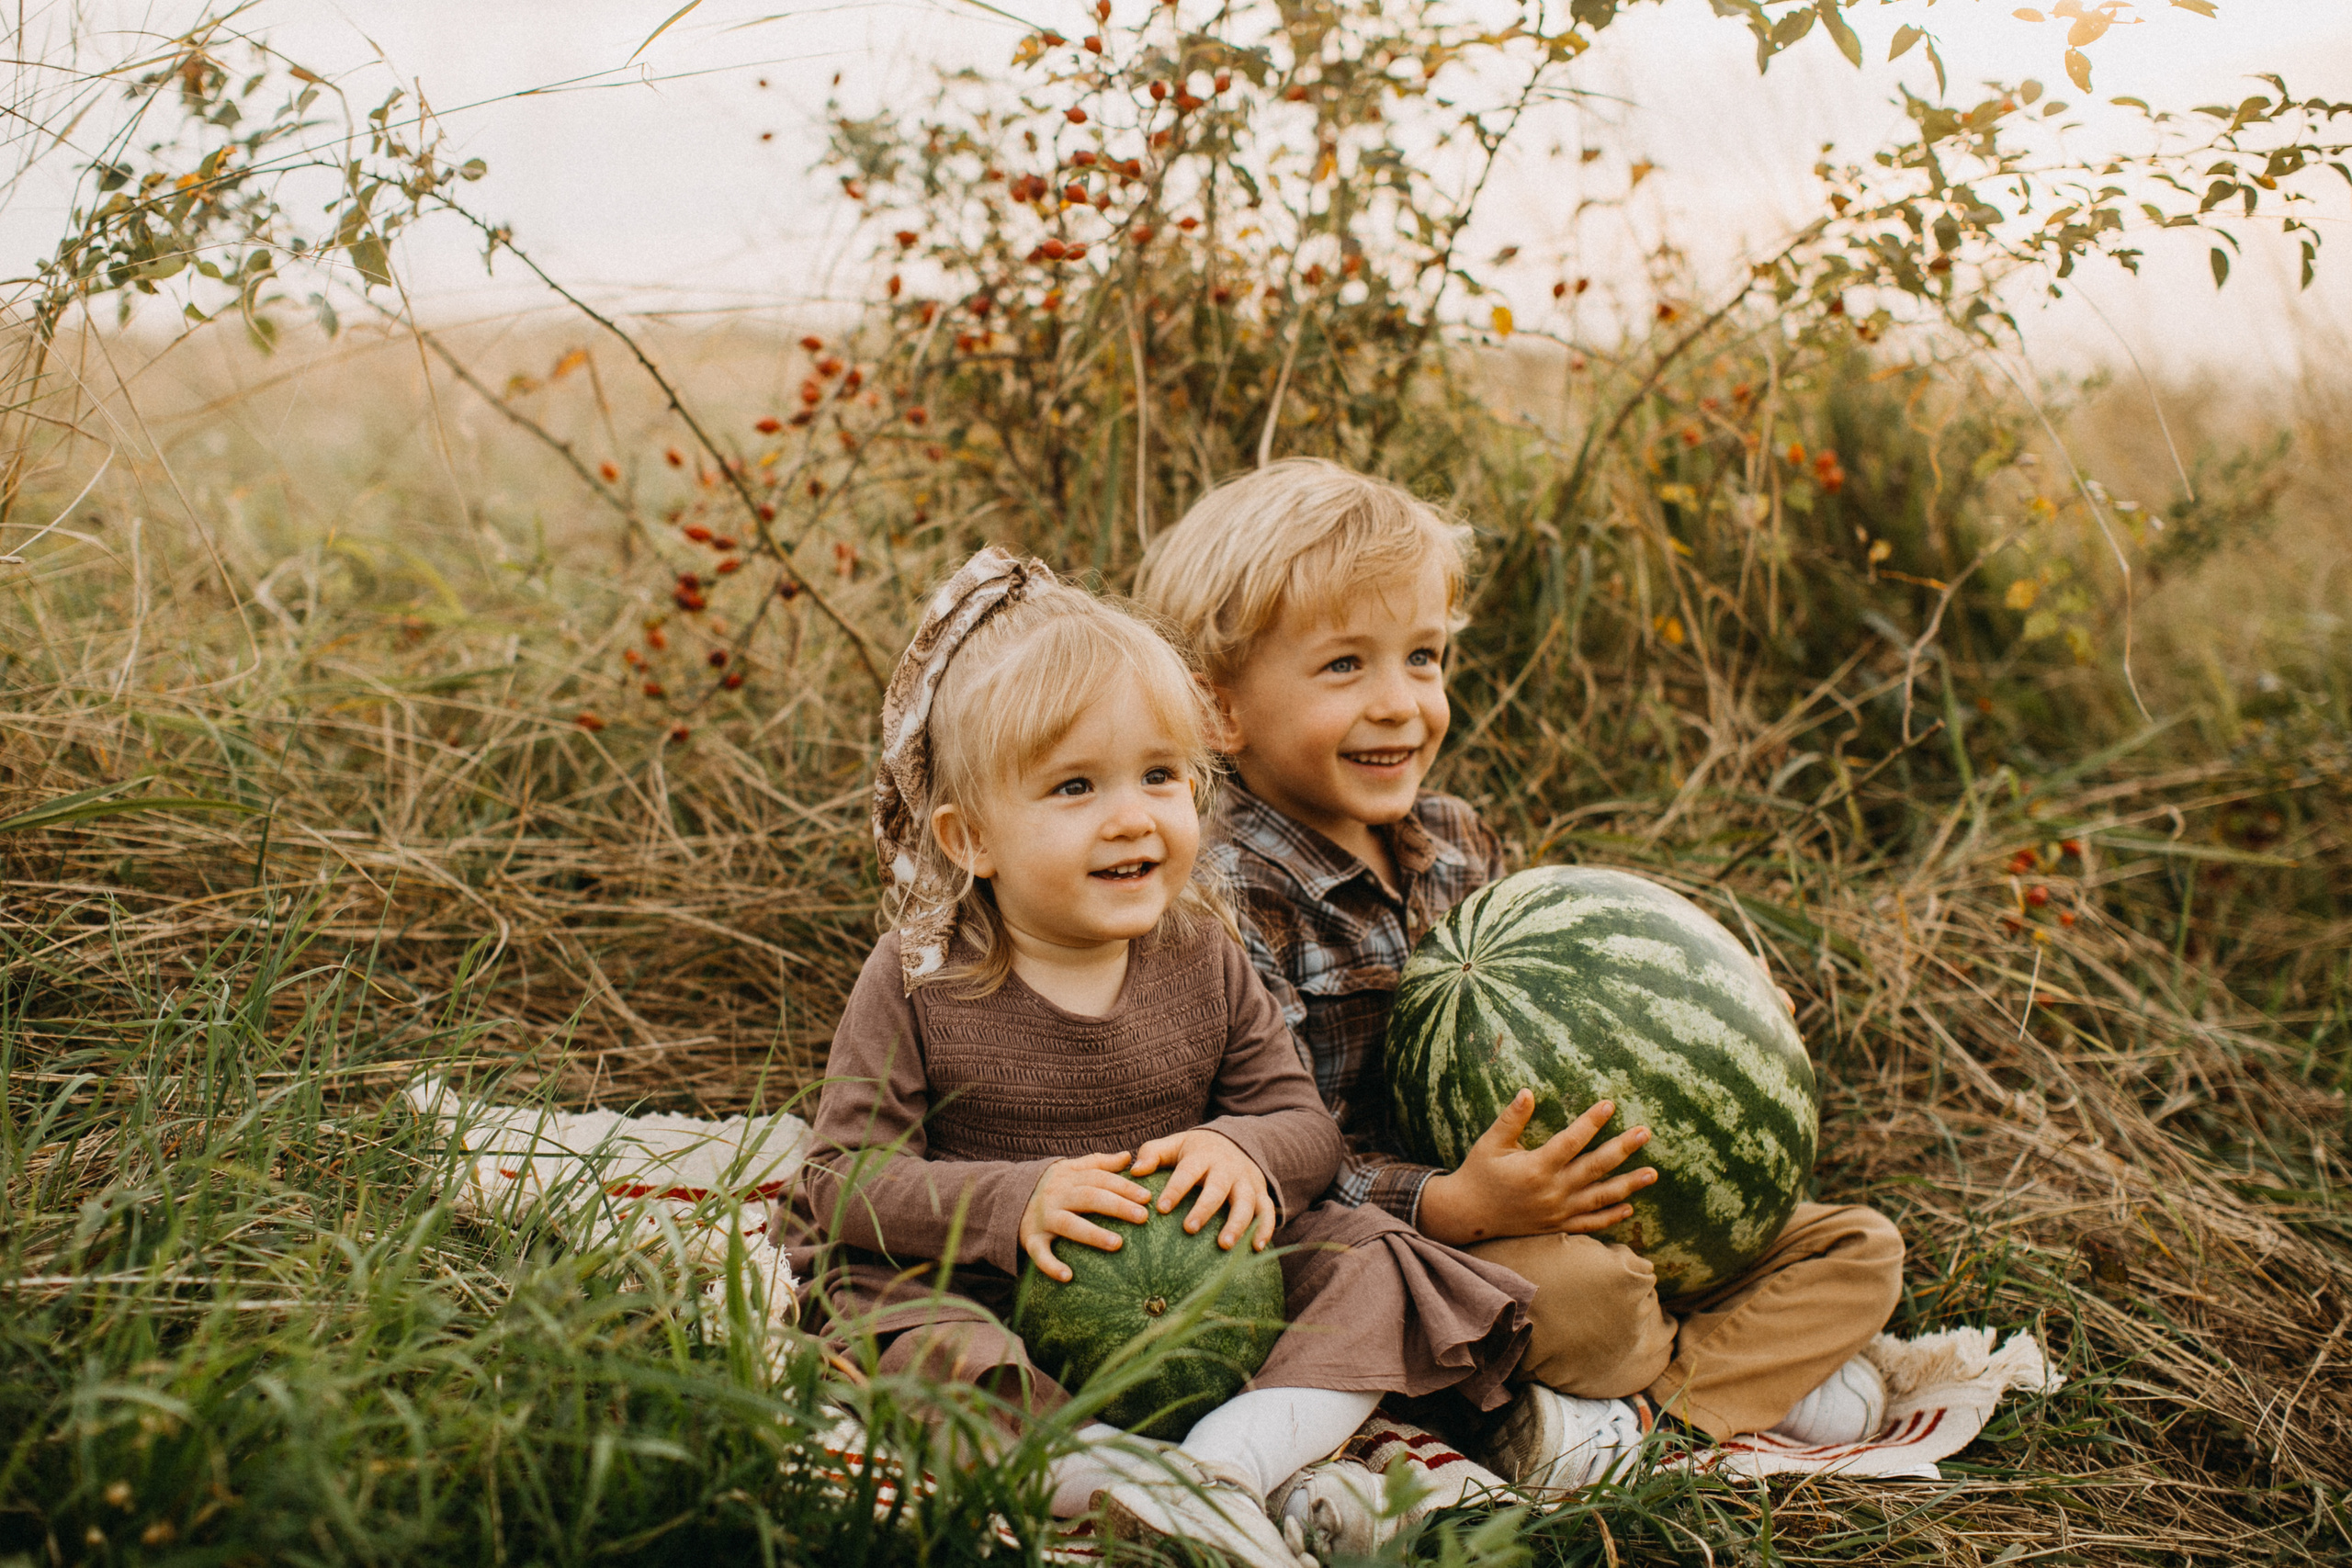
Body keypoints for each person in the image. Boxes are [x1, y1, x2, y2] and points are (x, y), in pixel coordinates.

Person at [1135, 457, 1906, 1491]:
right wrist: (1450, 1203)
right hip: (1403, 1243)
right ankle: (1686, 1388)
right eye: (1343, 668)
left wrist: (1712, 1019)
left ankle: (1652, 1413)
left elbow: (1573, 998)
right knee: (1585, 1290)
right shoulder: (1225, 898)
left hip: (1565, 1192)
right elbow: (1279, 1143)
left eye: (1422, 658)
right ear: (1219, 710)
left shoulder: (1453, 839)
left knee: (1859, 1247)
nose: (1400, 704)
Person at [786, 547, 1535, 1568]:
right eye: (1075, 787)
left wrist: (1245, 1153)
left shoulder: (1200, 952)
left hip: (1209, 1285)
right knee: (921, 1344)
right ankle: (1104, 1475)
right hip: (981, 1281)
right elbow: (841, 1181)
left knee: (1373, 1262)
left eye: (1159, 777)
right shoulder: (919, 977)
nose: (1132, 816)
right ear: (969, 838)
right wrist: (1018, 1203)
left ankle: (1232, 1459)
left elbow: (1302, 1126)